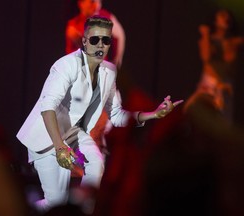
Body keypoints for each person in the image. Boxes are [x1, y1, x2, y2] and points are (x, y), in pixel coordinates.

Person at [17, 15, 182, 213]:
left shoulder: (110, 72)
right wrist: (60, 147)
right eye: (95, 39)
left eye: (106, 40)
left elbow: (117, 115)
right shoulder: (65, 66)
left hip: (74, 134)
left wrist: (154, 114)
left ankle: (87, 207)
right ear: (85, 41)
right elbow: (48, 106)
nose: (100, 45)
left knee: (96, 164)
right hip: (47, 137)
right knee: (55, 203)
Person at [198, 9, 244, 124]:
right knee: (207, 121)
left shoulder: (233, 41)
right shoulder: (208, 39)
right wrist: (205, 34)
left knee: (224, 120)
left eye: (228, 16)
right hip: (210, 83)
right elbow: (206, 58)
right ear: (215, 20)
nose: (226, 18)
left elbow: (230, 59)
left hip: (225, 84)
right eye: (222, 15)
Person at [66, 0, 125, 68]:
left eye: (99, 1)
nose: (97, 5)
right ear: (81, 3)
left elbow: (120, 34)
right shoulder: (73, 26)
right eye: (92, 1)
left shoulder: (105, 17)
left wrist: (118, 58)